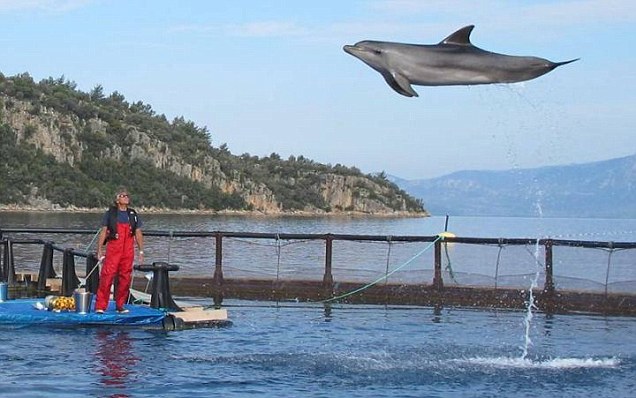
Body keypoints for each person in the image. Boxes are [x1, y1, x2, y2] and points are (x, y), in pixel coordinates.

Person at [94, 188, 144, 314]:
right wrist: (100, 249)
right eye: (123, 196)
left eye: (127, 195)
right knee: (107, 276)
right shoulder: (110, 214)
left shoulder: (132, 214)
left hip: (128, 249)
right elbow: (104, 231)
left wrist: (141, 251)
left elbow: (138, 232)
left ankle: (120, 305)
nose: (126, 197)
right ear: (117, 200)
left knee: (125, 278)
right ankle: (101, 306)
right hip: (114, 248)